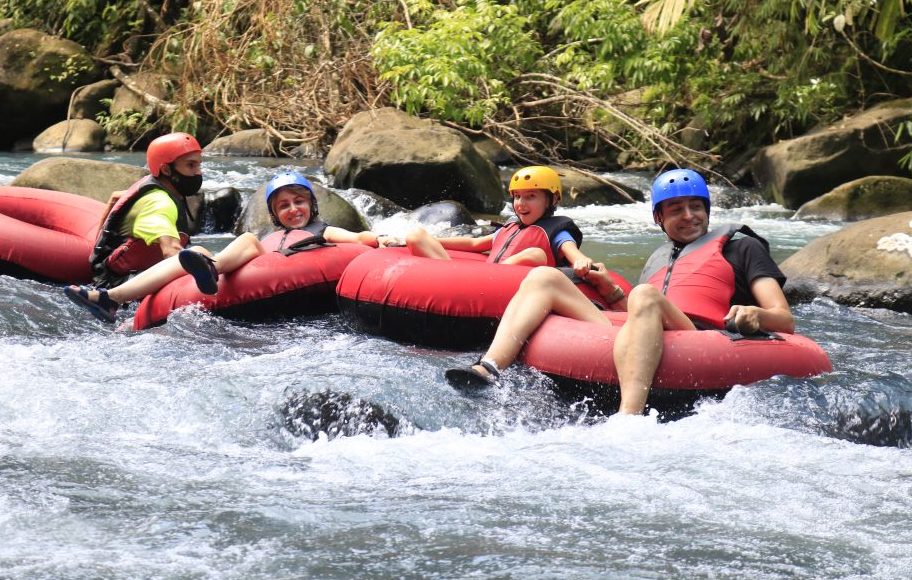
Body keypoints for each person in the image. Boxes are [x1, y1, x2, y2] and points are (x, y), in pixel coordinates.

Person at [445, 168, 795, 415]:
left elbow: (783, 319)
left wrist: (755, 315)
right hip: (648, 328)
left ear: (707, 209)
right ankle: (489, 368)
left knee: (643, 295)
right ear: (659, 219)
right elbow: (638, 314)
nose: (689, 216)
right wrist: (610, 291)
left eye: (696, 207)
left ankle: (629, 417)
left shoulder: (743, 248)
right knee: (543, 277)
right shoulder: (659, 258)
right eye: (676, 210)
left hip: (699, 336)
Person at [64, 171, 397, 323]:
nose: (293, 209)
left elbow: (355, 241)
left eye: (299, 202)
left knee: (247, 241)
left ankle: (212, 268)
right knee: (191, 255)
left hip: (266, 269)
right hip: (244, 264)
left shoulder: (322, 229)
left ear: (312, 205)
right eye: (284, 206)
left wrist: (380, 240)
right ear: (273, 213)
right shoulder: (270, 236)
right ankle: (115, 299)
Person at [404, 165, 597, 273]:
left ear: (553, 199)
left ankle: (477, 281)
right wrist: (433, 241)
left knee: (535, 254)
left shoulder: (557, 232)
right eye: (518, 196)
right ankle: (462, 282)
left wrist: (582, 262)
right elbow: (474, 244)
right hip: (484, 281)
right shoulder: (511, 228)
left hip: (518, 288)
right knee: (416, 236)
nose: (521, 203)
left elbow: (573, 253)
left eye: (531, 196)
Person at [89, 131, 205, 289]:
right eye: (191, 165)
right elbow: (171, 250)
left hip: (110, 271)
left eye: (199, 164)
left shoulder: (157, 189)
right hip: (119, 284)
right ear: (166, 170)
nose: (199, 172)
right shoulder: (160, 203)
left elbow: (116, 197)